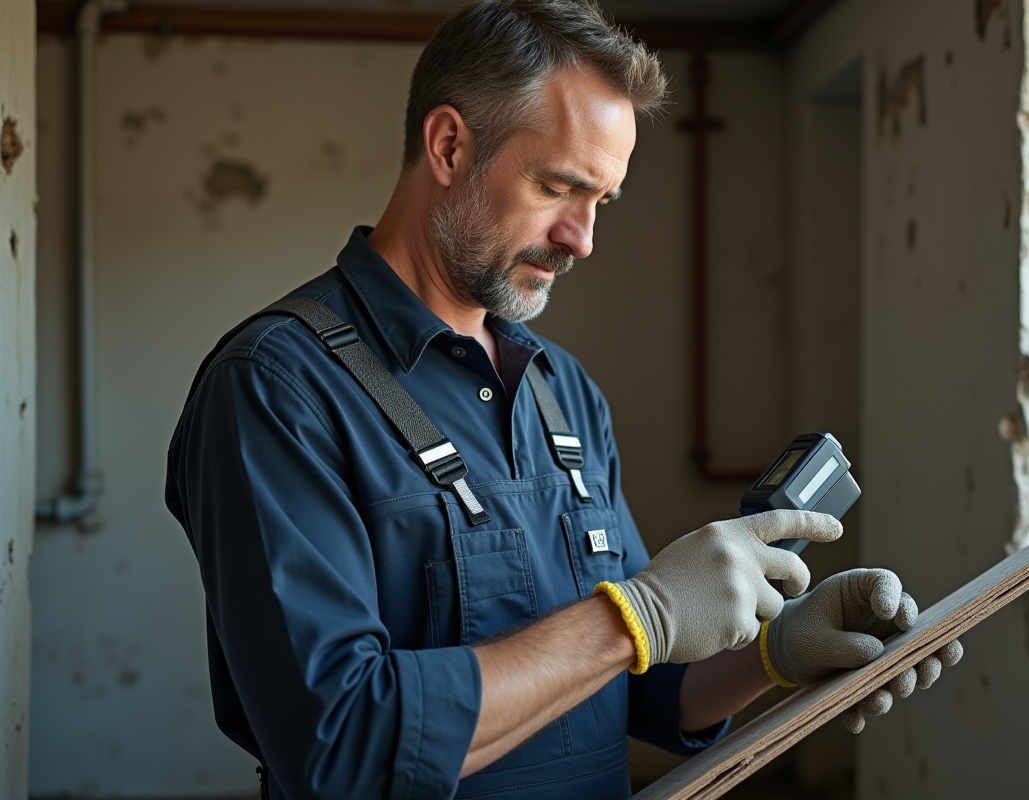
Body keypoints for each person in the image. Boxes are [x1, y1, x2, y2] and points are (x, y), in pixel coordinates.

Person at [165, 2, 960, 798]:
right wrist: (632, 617)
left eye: (600, 201)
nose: (581, 238)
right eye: (557, 187)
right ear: (449, 146)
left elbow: (636, 682)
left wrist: (774, 652)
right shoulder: (277, 387)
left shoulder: (559, 389)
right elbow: (340, 742)